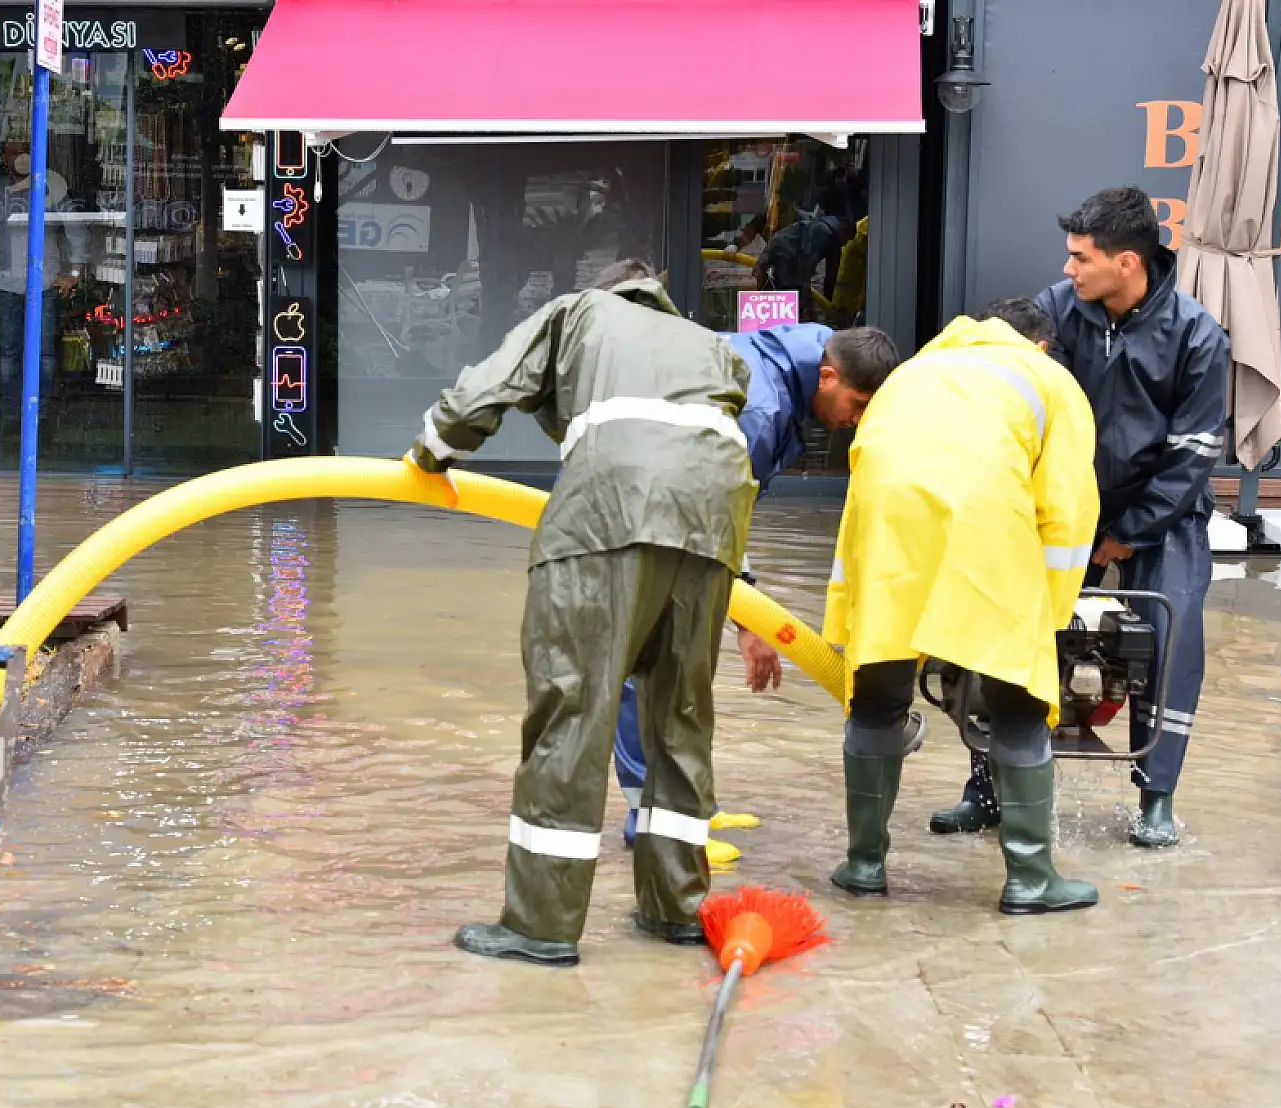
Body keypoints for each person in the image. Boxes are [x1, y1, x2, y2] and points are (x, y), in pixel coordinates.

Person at [403, 259, 757, 967]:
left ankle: (541, 923)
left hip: (606, 516)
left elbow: (485, 390)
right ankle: (676, 906)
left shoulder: (576, 312)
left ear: (607, 289)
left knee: (572, 709)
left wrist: (431, 453)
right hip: (714, 529)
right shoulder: (712, 346)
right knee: (680, 718)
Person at [928, 187, 1228, 848]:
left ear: (1128, 263)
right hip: (1062, 501)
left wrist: (1127, 535)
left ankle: (1156, 797)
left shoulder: (1198, 335)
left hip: (1162, 512)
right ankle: (986, 787)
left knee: (1172, 635)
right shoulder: (1055, 311)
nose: (1068, 269)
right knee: (1003, 626)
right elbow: (1018, 406)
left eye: (1081, 258)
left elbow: (1194, 454)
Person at [825, 297, 1102, 914]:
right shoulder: (1050, 381)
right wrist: (1049, 614)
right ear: (1040, 346)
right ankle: (1031, 880)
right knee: (1018, 710)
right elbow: (1066, 509)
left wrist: (849, 608)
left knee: (877, 704)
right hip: (988, 525)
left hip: (889, 536)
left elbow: (861, 487)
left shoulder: (912, 373)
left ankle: (864, 864)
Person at [614, 323, 903, 848]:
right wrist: (749, 620)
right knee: (651, 665)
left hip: (669, 506)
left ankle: (689, 804)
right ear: (829, 376)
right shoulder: (760, 411)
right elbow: (718, 513)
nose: (857, 421)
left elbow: (728, 510)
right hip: (634, 511)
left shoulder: (797, 363)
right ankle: (653, 824)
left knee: (686, 663)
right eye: (858, 404)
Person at [0, 144, 90, 418]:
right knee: (7, 353)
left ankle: (40, 413)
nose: (17, 158)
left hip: (45, 283)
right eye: (11, 153)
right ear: (4, 158)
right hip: (6, 283)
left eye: (22, 151)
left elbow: (77, 230)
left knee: (44, 354)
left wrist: (73, 274)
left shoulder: (53, 189)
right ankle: (12, 414)